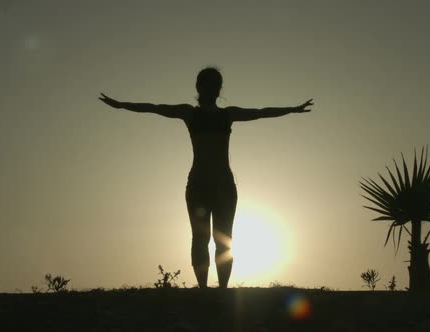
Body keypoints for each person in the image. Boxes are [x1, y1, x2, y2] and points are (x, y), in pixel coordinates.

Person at [99, 67, 313, 288]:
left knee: (223, 239)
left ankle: (221, 290)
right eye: (208, 84)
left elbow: (260, 112)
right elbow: (154, 108)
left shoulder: (226, 114)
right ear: (200, 88)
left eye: (214, 84)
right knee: (200, 239)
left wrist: (292, 109)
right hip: (200, 185)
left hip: (222, 186)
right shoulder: (190, 113)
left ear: (217, 88)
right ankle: (203, 289)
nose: (211, 89)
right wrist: (121, 104)